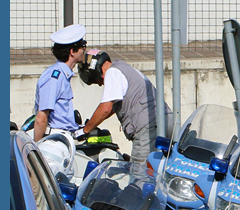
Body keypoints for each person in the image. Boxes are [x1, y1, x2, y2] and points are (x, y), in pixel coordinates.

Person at [78, 50, 173, 182]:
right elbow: (112, 107)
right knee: (159, 174)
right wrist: (93, 123)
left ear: (94, 70)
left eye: (96, 81)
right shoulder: (124, 68)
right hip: (166, 120)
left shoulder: (112, 73)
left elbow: (105, 108)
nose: (100, 84)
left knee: (139, 178)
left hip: (148, 127)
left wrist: (84, 130)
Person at [33, 23, 88, 142]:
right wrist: (36, 150)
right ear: (72, 51)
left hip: (64, 138)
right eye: (83, 45)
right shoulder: (54, 77)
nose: (84, 49)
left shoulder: (63, 75)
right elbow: (41, 118)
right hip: (55, 141)